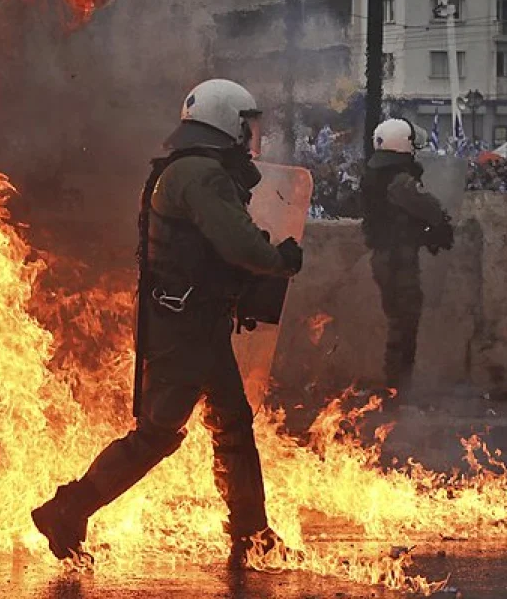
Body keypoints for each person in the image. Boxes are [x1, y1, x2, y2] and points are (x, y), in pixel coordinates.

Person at [32, 78, 304, 568]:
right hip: (187, 328)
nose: (250, 137)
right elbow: (238, 245)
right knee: (159, 434)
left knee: (232, 426)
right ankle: (68, 509)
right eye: (245, 126)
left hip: (192, 322)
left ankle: (252, 534)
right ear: (226, 123)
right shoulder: (201, 174)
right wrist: (278, 259)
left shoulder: (190, 169)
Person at [361, 118, 455, 395]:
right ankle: (398, 387)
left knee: (399, 319)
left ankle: (398, 385)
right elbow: (429, 208)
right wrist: (439, 225)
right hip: (397, 259)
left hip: (386, 255)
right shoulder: (400, 180)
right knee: (404, 320)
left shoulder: (375, 175)